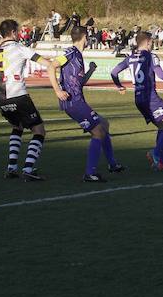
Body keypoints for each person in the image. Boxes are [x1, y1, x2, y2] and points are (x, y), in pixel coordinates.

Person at [0, 19, 57, 181]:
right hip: (18, 96)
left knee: (17, 126)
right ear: (14, 32)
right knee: (39, 130)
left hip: (0, 99)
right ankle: (28, 168)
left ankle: (12, 167)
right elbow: (46, 63)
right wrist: (58, 65)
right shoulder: (20, 48)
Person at [47, 26, 125, 182]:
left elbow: (79, 82)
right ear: (85, 37)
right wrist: (57, 90)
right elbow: (51, 66)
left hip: (77, 99)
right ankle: (90, 173)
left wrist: (90, 71)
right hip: (72, 102)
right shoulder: (70, 52)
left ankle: (112, 164)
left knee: (104, 124)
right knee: (98, 132)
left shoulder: (78, 55)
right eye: (88, 37)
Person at [111, 32, 163, 171]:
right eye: (151, 43)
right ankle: (155, 154)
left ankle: (161, 162)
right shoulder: (151, 56)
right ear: (147, 42)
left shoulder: (130, 58)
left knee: (162, 127)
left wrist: (119, 86)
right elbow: (161, 75)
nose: (152, 45)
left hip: (138, 99)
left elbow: (114, 72)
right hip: (150, 97)